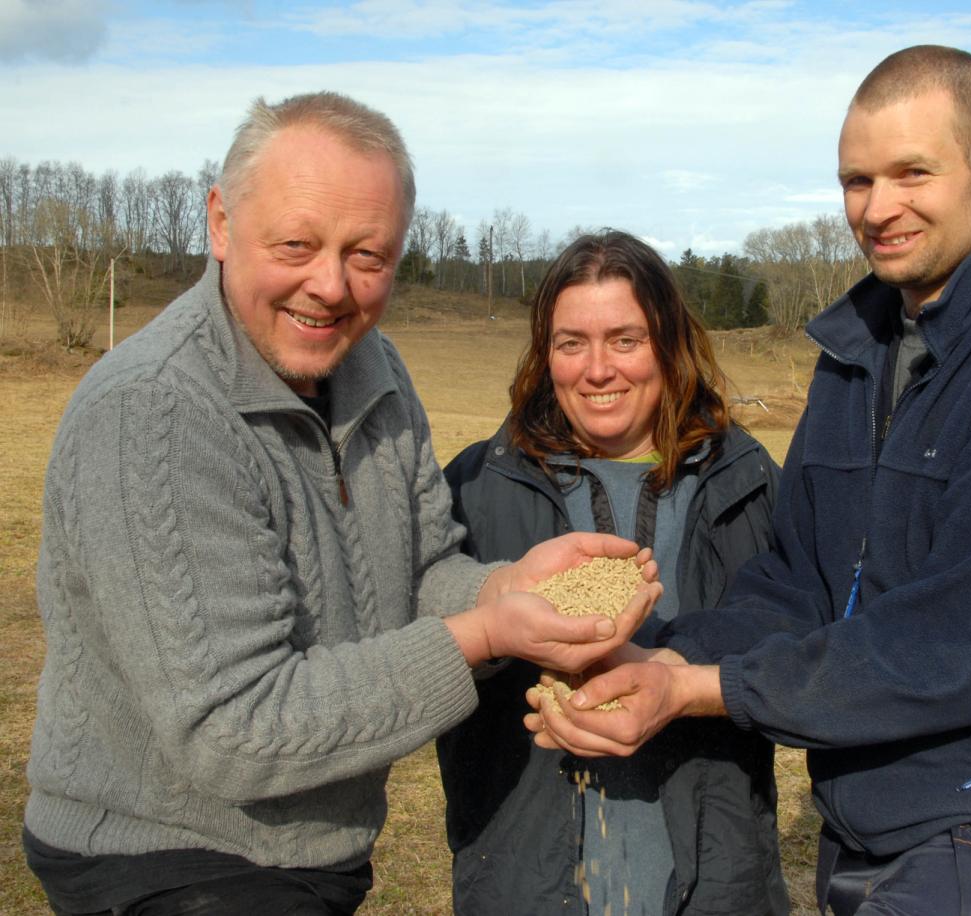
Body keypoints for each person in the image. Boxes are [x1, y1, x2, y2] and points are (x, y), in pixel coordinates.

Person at [529, 46, 971, 916]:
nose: (878, 207)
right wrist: (658, 656)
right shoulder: (856, 359)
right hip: (867, 831)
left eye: (912, 173)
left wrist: (694, 690)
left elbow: (954, 644)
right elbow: (798, 589)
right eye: (856, 180)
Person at [22, 92, 658, 916]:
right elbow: (235, 728)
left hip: (311, 851)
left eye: (368, 255)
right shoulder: (152, 412)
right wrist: (485, 633)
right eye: (296, 244)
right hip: (165, 860)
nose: (329, 286)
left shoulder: (373, 370)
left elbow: (424, 568)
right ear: (220, 222)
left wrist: (506, 591)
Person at [438, 230, 788, 915]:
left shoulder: (746, 484)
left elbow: (797, 650)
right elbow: (419, 645)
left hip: (717, 887)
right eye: (571, 344)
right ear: (545, 355)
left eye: (625, 340)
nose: (598, 370)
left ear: (668, 343)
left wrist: (679, 677)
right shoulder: (476, 486)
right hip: (523, 885)